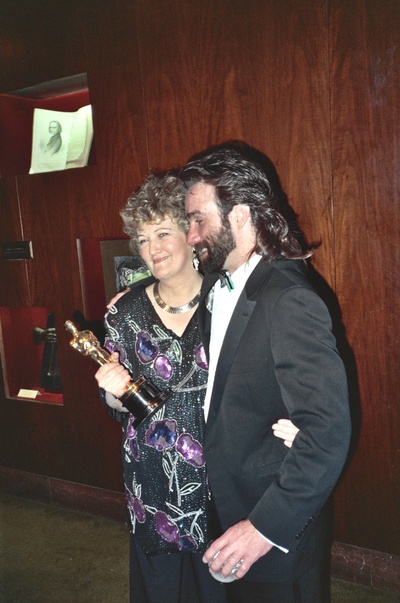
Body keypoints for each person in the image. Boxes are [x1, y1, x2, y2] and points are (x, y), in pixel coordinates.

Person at [95, 172, 299, 603]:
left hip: (221, 479)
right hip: (154, 480)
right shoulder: (123, 314)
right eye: (142, 239)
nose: (152, 249)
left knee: (221, 585)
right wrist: (114, 391)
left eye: (163, 233)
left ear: (191, 236)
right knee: (162, 588)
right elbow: (116, 405)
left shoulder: (228, 297)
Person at [180, 145, 352, 603]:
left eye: (198, 220)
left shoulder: (289, 299)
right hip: (225, 509)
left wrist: (262, 529)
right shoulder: (219, 282)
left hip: (272, 528)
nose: (191, 235)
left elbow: (327, 433)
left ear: (239, 215)